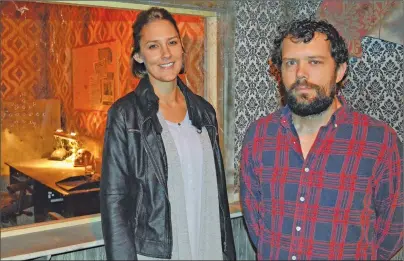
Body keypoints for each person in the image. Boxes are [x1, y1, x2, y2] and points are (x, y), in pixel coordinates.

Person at [240, 19, 403, 260]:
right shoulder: (260, 135)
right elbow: (256, 223)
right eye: (290, 63)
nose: (301, 74)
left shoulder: (379, 140)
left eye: (314, 62)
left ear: (339, 71)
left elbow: (394, 227)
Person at [100, 7, 235, 261]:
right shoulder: (125, 115)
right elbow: (114, 202)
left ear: (182, 48)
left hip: (208, 246)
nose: (166, 54)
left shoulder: (204, 112)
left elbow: (219, 196)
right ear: (139, 56)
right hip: (156, 253)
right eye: (153, 46)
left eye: (172, 42)